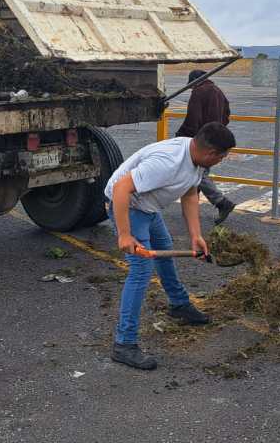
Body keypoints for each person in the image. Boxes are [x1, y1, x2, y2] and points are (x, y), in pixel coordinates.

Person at [106, 122, 236, 370]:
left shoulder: (196, 161)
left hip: (148, 208)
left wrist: (195, 235)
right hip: (129, 207)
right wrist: (124, 235)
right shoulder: (167, 162)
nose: (221, 161)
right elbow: (121, 189)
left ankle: (180, 305)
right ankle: (124, 344)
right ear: (211, 154)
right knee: (141, 271)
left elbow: (189, 193)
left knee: (165, 252)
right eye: (222, 157)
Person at [177, 70, 236, 225]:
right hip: (216, 138)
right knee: (196, 174)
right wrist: (219, 128)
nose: (190, 89)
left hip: (202, 141)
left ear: (194, 81)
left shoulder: (199, 92)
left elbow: (192, 119)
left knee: (199, 174)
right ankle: (190, 210)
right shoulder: (218, 91)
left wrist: (182, 136)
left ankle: (222, 202)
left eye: (190, 85)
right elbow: (227, 113)